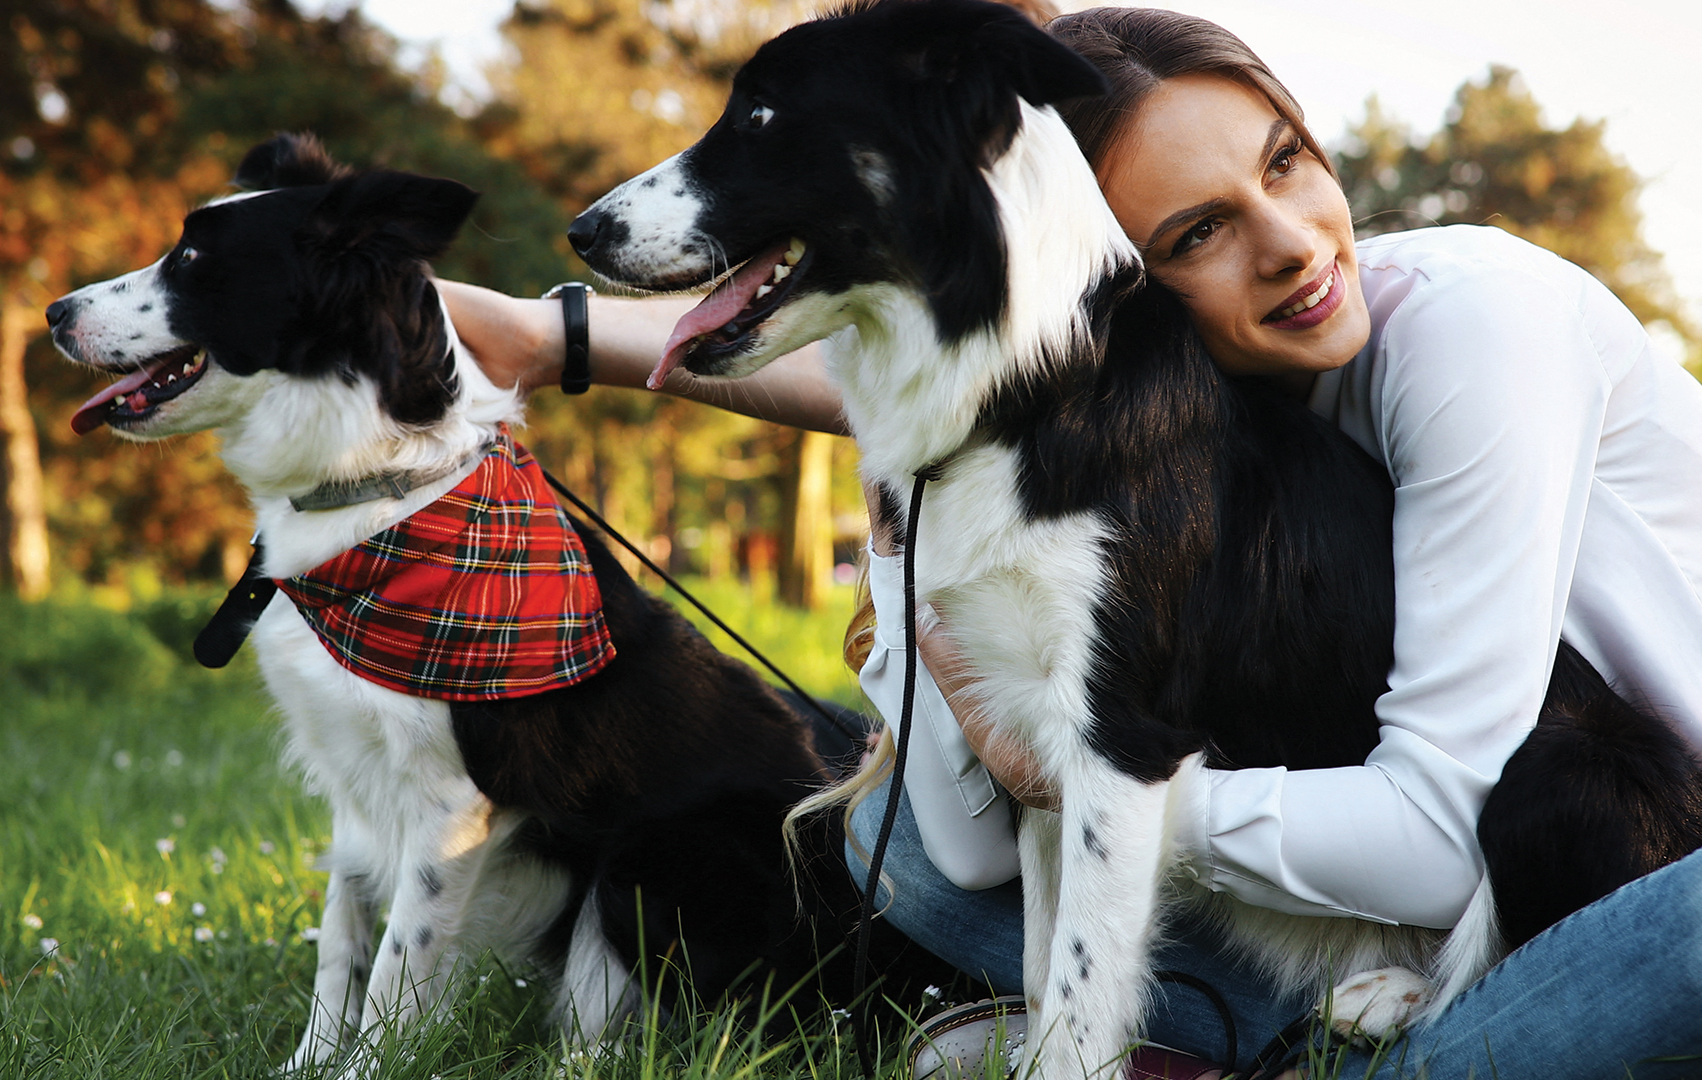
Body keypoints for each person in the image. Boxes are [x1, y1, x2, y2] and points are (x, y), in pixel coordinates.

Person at [442, 8, 1702, 1077]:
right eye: (1195, 235)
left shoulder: (1475, 329)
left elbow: (1432, 834)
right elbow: (972, 838)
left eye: (1286, 161)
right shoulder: (1168, 396)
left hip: (1629, 859)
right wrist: (567, 341)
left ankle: (1324, 1052)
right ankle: (1324, 1042)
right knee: (898, 855)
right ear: (1116, 274)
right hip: (1400, 893)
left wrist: (1096, 783)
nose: (1290, 243)